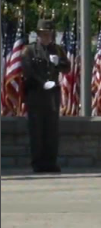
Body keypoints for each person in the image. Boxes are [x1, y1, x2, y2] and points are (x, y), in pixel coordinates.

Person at [21, 19, 70, 173]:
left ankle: (51, 162)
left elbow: (67, 68)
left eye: (49, 34)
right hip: (36, 94)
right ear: (38, 34)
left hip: (52, 96)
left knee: (51, 131)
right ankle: (38, 163)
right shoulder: (29, 50)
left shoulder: (58, 50)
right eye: (43, 34)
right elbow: (28, 72)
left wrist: (58, 64)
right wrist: (42, 83)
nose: (46, 37)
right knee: (37, 131)